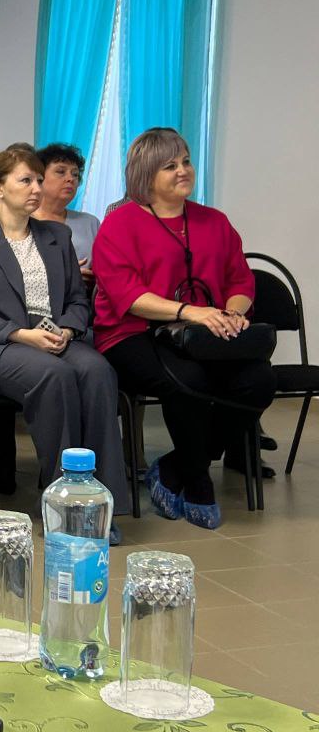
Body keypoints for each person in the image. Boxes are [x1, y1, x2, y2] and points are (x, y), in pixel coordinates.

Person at [92, 127, 275, 529]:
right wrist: (189, 311)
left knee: (259, 380)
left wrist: (234, 312)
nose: (183, 171)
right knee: (189, 380)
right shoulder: (120, 224)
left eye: (186, 161)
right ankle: (197, 480)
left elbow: (241, 281)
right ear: (145, 174)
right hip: (131, 333)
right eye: (170, 165)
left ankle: (175, 467)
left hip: (203, 333)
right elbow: (127, 295)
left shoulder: (215, 221)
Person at [0, 148, 129, 526]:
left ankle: (101, 506)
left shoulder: (56, 236)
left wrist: (67, 328)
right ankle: (62, 507)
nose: (36, 188)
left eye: (37, 179)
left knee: (97, 371)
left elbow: (79, 301)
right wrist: (21, 334)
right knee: (55, 375)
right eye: (25, 180)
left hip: (53, 338)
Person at [33, 142, 99, 287]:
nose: (70, 178)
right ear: (39, 177)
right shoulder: (24, 221)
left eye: (75, 174)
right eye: (61, 172)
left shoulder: (90, 223)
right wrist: (68, 275)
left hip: (84, 301)